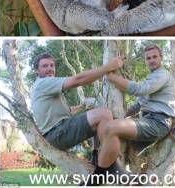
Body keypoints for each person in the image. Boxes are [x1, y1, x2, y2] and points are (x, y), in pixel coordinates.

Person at [30, 52, 125, 183]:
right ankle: (104, 171)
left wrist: (82, 106)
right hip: (57, 134)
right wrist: (107, 67)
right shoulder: (44, 83)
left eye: (52, 65)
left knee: (99, 119)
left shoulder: (41, 86)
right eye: (44, 66)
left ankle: (97, 157)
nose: (50, 68)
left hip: (58, 133)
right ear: (36, 70)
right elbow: (77, 80)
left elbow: (66, 112)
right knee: (105, 114)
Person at [93, 44, 175, 183]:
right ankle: (98, 159)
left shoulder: (162, 75)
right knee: (102, 124)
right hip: (147, 121)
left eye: (154, 57)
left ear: (161, 58)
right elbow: (138, 105)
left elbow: (140, 89)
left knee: (111, 128)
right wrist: (122, 116)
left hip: (158, 122)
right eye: (148, 58)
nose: (151, 60)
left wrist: (110, 76)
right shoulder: (152, 77)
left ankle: (98, 176)